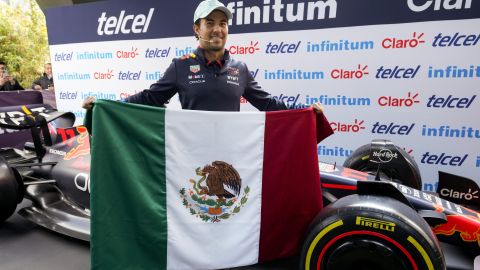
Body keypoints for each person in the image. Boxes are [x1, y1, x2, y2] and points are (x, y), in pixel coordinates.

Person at [83, 0, 323, 113]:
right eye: (210, 23)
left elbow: (267, 104)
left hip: (232, 152)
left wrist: (304, 110)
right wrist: (106, 105)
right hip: (191, 153)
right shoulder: (181, 66)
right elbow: (150, 98)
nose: (218, 29)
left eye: (223, 23)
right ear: (197, 29)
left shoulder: (240, 68)